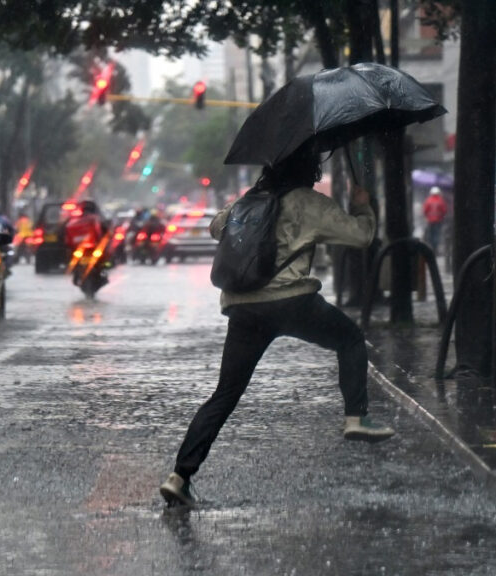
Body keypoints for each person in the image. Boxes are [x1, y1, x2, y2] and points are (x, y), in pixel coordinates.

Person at [159, 146, 395, 508]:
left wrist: (250, 198)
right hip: (292, 301)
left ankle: (179, 476)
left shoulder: (249, 202)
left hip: (244, 308)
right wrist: (362, 206)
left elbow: (216, 226)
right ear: (309, 170)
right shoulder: (307, 203)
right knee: (349, 339)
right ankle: (356, 416)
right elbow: (361, 237)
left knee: (225, 394)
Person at [422, 186, 448, 254]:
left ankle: (432, 248)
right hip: (438, 221)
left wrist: (428, 217)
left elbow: (425, 211)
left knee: (431, 235)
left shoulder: (428, 200)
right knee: (437, 234)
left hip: (430, 221)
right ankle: (435, 249)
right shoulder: (440, 200)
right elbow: (444, 211)